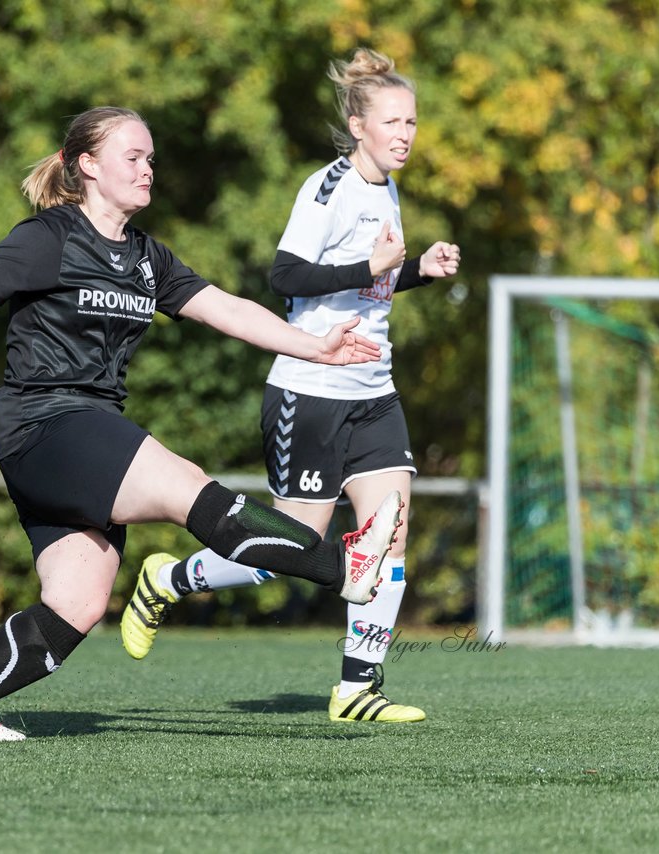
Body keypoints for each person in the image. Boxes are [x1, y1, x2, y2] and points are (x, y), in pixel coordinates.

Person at [0, 105, 404, 741]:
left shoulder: (149, 258)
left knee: (79, 603)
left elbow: (225, 309)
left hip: (85, 433)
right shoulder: (51, 237)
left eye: (151, 158)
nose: (147, 169)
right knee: (185, 483)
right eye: (133, 156)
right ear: (87, 166)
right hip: (46, 425)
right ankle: (344, 569)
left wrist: (313, 346)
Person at [120, 49, 461, 723]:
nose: (406, 134)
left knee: (388, 538)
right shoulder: (326, 189)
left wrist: (418, 268)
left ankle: (358, 688)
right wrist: (373, 262)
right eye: (393, 121)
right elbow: (285, 278)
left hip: (374, 393)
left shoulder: (389, 189)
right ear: (358, 124)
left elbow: (372, 283)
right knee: (293, 551)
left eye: (413, 121)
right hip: (310, 393)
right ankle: (170, 577)